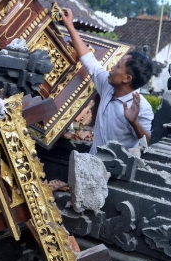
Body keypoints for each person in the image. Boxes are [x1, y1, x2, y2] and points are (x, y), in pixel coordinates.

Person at [61, 8, 154, 155]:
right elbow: (90, 61)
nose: (111, 67)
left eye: (117, 66)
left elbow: (147, 142)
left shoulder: (142, 108)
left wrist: (133, 122)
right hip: (89, 164)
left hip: (114, 173)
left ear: (127, 78)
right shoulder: (107, 86)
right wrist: (70, 27)